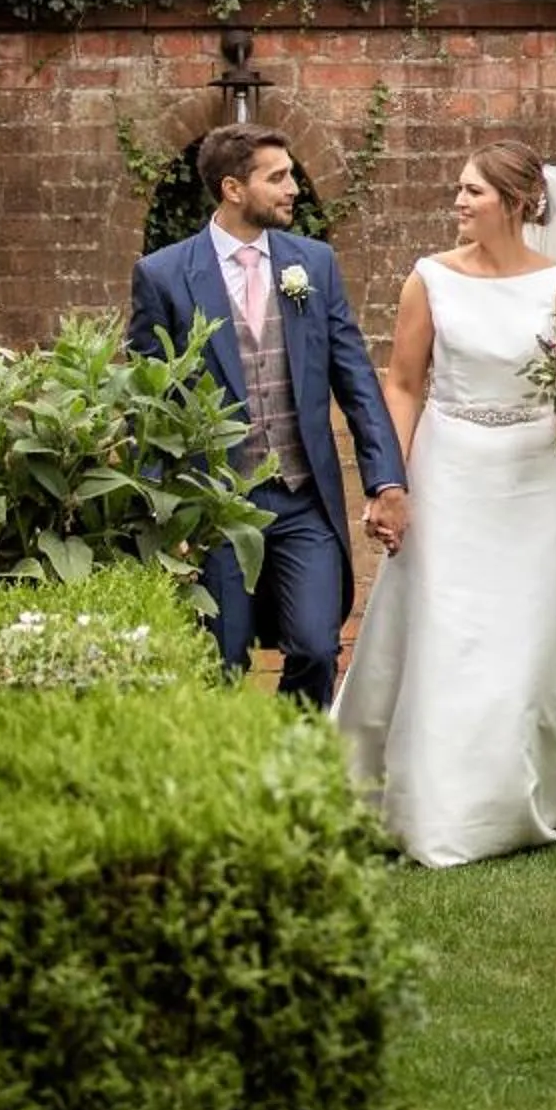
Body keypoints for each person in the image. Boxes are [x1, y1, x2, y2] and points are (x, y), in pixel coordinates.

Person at [330, 139, 556, 867]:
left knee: (533, 633)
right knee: (453, 632)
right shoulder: (429, 280)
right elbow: (403, 385)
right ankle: (440, 806)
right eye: (459, 188)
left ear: (516, 202)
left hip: (536, 478)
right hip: (450, 471)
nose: (458, 202)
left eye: (472, 191)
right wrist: (392, 483)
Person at [125, 123, 405, 709]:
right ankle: (231, 783)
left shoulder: (315, 265)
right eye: (276, 177)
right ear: (232, 188)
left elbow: (355, 378)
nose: (293, 189)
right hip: (216, 509)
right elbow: (147, 408)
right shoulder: (164, 275)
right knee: (220, 661)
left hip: (303, 499)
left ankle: (292, 763)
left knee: (315, 647)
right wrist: (161, 514)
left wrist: (385, 479)